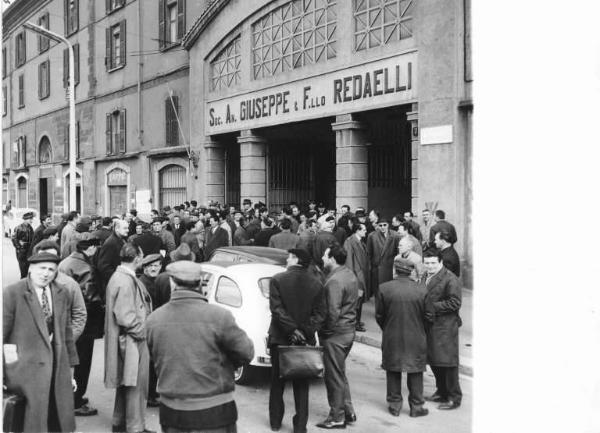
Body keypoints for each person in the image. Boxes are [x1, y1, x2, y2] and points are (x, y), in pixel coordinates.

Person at [146, 260, 254, 433]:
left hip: (172, 411)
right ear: (201, 283)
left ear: (172, 283)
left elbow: (153, 357)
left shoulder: (153, 320)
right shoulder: (219, 316)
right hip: (214, 410)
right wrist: (227, 365)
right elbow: (246, 352)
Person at [3, 251, 78, 432]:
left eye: (51, 270)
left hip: (56, 370)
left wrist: (71, 372)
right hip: (24, 374)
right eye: (41, 268)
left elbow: (67, 334)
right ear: (30, 269)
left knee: (56, 420)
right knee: (31, 422)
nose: (45, 273)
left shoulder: (62, 292)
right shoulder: (13, 293)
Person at [268, 249, 326, 433]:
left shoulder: (277, 279)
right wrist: (303, 331)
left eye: (289, 256)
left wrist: (292, 329)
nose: (287, 259)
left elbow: (276, 309)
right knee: (302, 385)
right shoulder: (316, 284)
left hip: (280, 337)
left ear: (296, 260)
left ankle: (275, 422)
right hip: (304, 341)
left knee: (277, 382)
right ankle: (300, 426)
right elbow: (320, 314)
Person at [104, 243, 154, 433]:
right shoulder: (125, 280)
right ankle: (135, 427)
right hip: (132, 341)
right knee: (136, 386)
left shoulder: (121, 277)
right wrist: (143, 333)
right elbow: (126, 317)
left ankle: (120, 422)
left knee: (126, 384)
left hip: (125, 339)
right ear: (137, 259)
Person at [376, 259, 429, 418]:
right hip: (416, 335)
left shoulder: (384, 288)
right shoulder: (422, 290)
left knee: (393, 368)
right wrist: (422, 330)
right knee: (416, 369)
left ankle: (394, 405)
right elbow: (429, 316)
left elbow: (380, 315)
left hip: (392, 335)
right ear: (411, 271)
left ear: (395, 270)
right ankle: (416, 406)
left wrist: (388, 327)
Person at [58, 238, 103, 417]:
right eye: (96, 249)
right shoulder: (86, 268)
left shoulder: (66, 262)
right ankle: (76, 400)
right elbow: (89, 299)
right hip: (83, 323)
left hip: (65, 318)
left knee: (70, 361)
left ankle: (71, 396)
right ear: (90, 249)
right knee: (82, 362)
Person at [316, 246, 359, 429]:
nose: (323, 259)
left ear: (332, 258)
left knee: (333, 376)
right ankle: (347, 411)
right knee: (339, 373)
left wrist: (325, 332)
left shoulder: (333, 281)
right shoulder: (349, 274)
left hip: (336, 334)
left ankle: (337, 417)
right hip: (348, 330)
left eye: (325, 256)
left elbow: (332, 312)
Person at [422, 250, 463, 410]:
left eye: (433, 263)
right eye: (427, 263)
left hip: (445, 326)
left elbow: (454, 302)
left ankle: (454, 397)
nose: (430, 266)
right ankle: (442, 391)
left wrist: (430, 307)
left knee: (448, 363)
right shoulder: (425, 276)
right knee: (435, 360)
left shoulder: (450, 278)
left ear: (440, 262)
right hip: (431, 325)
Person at [137, 253, 163, 408]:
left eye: (156, 266)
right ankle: (150, 394)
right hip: (148, 327)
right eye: (150, 266)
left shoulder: (158, 281)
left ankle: (152, 392)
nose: (154, 268)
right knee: (150, 362)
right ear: (145, 268)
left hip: (157, 326)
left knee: (154, 362)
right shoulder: (142, 283)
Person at [343, 222, 369, 332]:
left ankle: (357, 321)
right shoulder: (350, 241)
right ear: (357, 230)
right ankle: (354, 323)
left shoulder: (359, 241)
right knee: (356, 301)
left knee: (359, 299)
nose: (366, 231)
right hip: (356, 276)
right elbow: (349, 261)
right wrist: (352, 278)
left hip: (360, 275)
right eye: (364, 229)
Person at [366, 217, 400, 298]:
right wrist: (371, 267)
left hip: (390, 267)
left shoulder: (395, 235)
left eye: (385, 225)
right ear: (377, 226)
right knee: (378, 293)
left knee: (389, 292)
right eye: (380, 225)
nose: (382, 227)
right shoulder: (372, 236)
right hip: (377, 268)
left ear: (388, 225)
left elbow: (398, 253)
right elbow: (369, 254)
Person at [97, 218, 129, 291]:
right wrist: (117, 278)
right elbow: (103, 266)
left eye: (128, 228)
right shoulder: (111, 243)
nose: (128, 230)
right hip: (114, 284)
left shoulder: (121, 240)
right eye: (125, 228)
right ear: (117, 229)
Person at [12, 210, 35, 277]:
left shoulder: (30, 228)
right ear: (25, 219)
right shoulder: (19, 228)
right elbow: (14, 238)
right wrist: (19, 248)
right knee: (23, 270)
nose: (31, 221)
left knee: (28, 269)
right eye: (30, 219)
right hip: (22, 251)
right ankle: (23, 284)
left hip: (28, 251)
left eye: (31, 219)